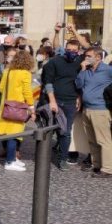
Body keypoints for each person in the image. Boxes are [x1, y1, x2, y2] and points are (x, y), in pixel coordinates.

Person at [42, 39, 82, 170]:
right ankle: (43, 155)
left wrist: (79, 97)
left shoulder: (80, 62)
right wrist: (52, 100)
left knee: (65, 131)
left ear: (78, 51)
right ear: (65, 49)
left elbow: (81, 83)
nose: (71, 52)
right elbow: (48, 82)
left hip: (70, 102)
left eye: (74, 50)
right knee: (49, 130)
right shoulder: (55, 61)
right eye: (69, 50)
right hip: (55, 100)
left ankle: (63, 158)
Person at [0, 49, 35, 172]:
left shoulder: (7, 71)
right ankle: (10, 161)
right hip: (18, 108)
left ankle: (12, 158)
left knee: (10, 134)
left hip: (6, 107)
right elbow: (27, 92)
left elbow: (0, 88)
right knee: (14, 135)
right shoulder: (26, 73)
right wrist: (31, 106)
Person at [75, 47, 112, 178]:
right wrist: (82, 70)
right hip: (87, 109)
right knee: (92, 140)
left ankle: (108, 169)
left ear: (98, 57)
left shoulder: (108, 70)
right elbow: (79, 85)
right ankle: (97, 165)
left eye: (89, 56)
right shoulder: (86, 70)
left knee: (104, 140)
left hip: (101, 109)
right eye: (85, 56)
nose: (86, 58)